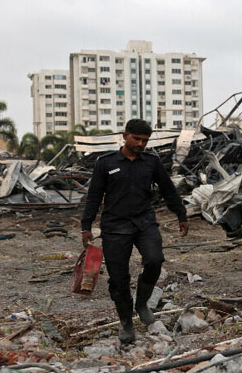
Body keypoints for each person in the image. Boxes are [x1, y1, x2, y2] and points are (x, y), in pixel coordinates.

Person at [81, 119, 189, 343]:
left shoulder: (151, 163)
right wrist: (86, 226)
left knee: (154, 260)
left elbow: (168, 190)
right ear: (125, 136)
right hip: (114, 227)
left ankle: (142, 303)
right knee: (118, 279)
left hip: (144, 223)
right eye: (136, 139)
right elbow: (93, 197)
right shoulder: (105, 163)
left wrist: (181, 215)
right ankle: (126, 323)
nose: (140, 144)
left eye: (145, 141)